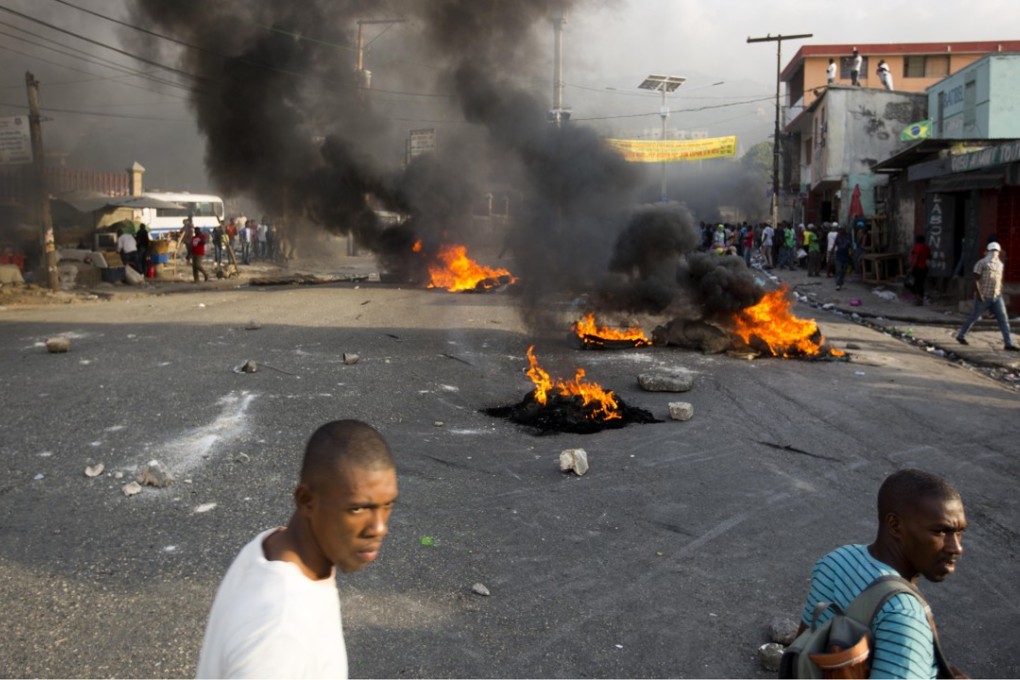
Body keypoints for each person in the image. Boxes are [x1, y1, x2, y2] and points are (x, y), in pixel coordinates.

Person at [196, 420, 399, 679]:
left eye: (388, 505)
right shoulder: (280, 634)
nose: (379, 528)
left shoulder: (270, 547)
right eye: (357, 509)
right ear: (306, 501)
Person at [795, 469, 966, 679]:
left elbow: (802, 643)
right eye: (940, 531)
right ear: (895, 525)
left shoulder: (837, 560)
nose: (956, 548)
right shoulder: (905, 616)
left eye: (959, 532)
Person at [955, 241, 1019, 350]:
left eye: (995, 251)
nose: (994, 254)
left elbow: (999, 280)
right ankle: (961, 335)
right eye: (993, 251)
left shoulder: (1000, 264)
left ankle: (1008, 344)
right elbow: (976, 279)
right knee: (974, 317)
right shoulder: (982, 263)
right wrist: (979, 294)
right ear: (989, 251)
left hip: (997, 296)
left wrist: (1000, 291)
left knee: (1004, 320)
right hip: (984, 296)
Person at [908, 233, 931, 306]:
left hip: (917, 268)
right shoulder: (927, 247)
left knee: (910, 284)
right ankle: (920, 299)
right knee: (920, 284)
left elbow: (916, 258)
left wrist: (911, 267)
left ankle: (918, 298)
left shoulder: (918, 246)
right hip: (924, 269)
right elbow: (930, 257)